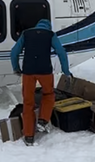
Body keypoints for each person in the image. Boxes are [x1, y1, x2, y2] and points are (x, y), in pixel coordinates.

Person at [9, 18, 72, 146]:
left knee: (28, 102)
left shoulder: (26, 33)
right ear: (48, 27)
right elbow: (61, 52)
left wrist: (16, 68)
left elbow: (14, 52)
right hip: (45, 71)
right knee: (48, 95)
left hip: (28, 72)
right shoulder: (50, 35)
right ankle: (43, 120)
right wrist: (66, 71)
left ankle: (29, 136)